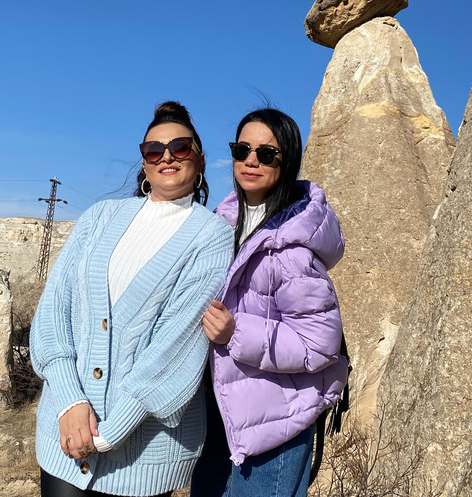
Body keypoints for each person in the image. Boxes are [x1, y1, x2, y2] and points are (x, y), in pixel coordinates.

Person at [31, 101, 234, 497]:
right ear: (144, 162)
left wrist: (109, 433)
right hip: (64, 434)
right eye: (154, 150)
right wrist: (70, 401)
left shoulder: (212, 236)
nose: (167, 157)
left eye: (180, 147)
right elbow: (55, 308)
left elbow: (178, 344)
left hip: (143, 452)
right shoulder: (100, 217)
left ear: (200, 158)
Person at [190, 108, 347, 497]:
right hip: (220, 416)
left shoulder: (292, 248)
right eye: (243, 149)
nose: (251, 160)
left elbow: (318, 345)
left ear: (287, 161)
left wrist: (235, 331)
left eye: (267, 153)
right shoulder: (219, 226)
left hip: (273, 430)